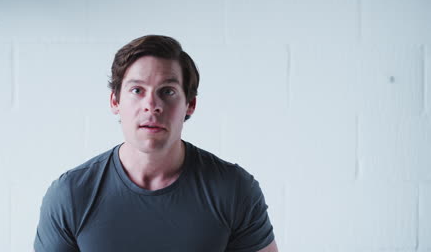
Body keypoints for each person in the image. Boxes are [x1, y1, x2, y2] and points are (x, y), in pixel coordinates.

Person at [34, 35, 278, 252]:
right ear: (115, 101)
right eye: (137, 90)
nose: (152, 105)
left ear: (190, 105)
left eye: (168, 91)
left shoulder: (234, 189)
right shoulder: (71, 194)